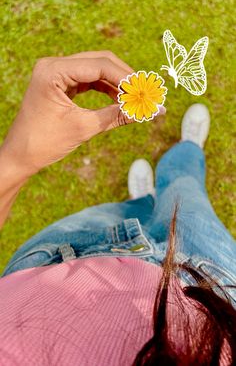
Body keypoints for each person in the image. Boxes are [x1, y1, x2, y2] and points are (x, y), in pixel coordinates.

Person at [0, 51, 235, 366]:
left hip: (68, 254)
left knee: (127, 210)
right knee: (185, 188)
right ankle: (186, 151)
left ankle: (145, 199)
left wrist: (16, 161)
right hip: (207, 283)